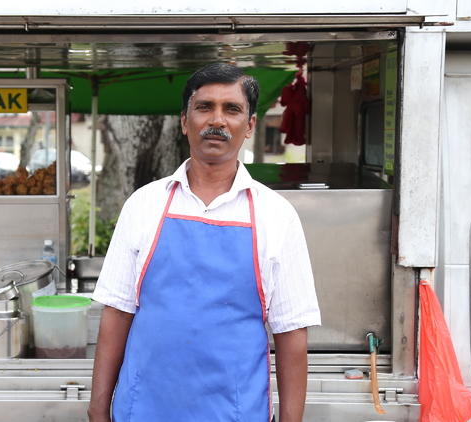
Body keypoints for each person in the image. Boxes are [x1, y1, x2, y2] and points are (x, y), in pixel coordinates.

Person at [88, 63, 321, 422]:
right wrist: (97, 409)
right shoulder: (144, 204)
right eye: (204, 107)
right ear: (185, 122)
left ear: (250, 125)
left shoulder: (277, 215)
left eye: (232, 109)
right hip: (144, 408)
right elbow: (117, 312)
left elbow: (291, 334)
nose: (217, 120)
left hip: (236, 412)